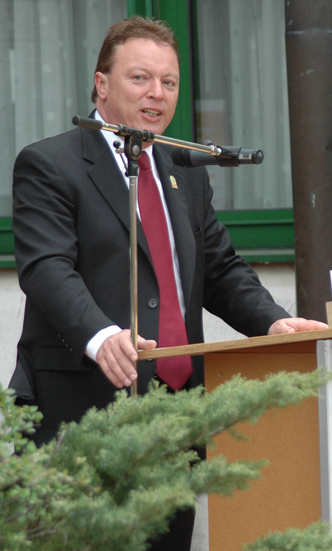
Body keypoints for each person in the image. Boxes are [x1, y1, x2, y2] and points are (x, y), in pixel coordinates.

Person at [9, 15, 327, 551]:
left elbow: (220, 268)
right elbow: (46, 268)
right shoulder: (50, 164)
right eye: (140, 78)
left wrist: (273, 321)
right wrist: (101, 335)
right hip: (81, 413)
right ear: (101, 84)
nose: (157, 94)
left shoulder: (185, 170)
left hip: (175, 413)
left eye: (170, 82)